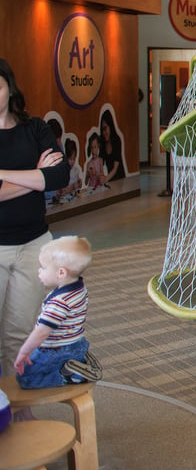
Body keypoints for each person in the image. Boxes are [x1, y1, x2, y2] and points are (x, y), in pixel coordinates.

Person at [0, 58, 70, 374]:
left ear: (9, 88)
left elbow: (58, 176)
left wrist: (6, 176)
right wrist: (35, 175)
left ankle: (17, 407)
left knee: (20, 334)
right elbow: (44, 176)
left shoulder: (35, 128)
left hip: (34, 245)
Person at [14, 235, 101, 387]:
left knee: (26, 379)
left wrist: (24, 351)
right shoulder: (79, 287)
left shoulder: (58, 303)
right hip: (76, 343)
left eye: (43, 267)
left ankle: (69, 375)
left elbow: (42, 332)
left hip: (56, 350)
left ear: (61, 273)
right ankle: (75, 363)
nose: (39, 271)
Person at [53, 138, 83, 204]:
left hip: (74, 199)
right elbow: (60, 189)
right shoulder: (63, 170)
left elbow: (79, 186)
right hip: (64, 199)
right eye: (70, 159)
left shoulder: (76, 170)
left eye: (74, 159)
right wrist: (62, 190)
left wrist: (79, 183)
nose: (72, 162)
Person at [99, 109, 125, 183]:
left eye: (105, 128)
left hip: (120, 179)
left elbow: (115, 167)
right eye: (102, 130)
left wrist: (106, 179)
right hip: (110, 179)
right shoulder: (103, 143)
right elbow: (100, 162)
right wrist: (101, 176)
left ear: (110, 126)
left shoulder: (116, 140)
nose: (104, 133)